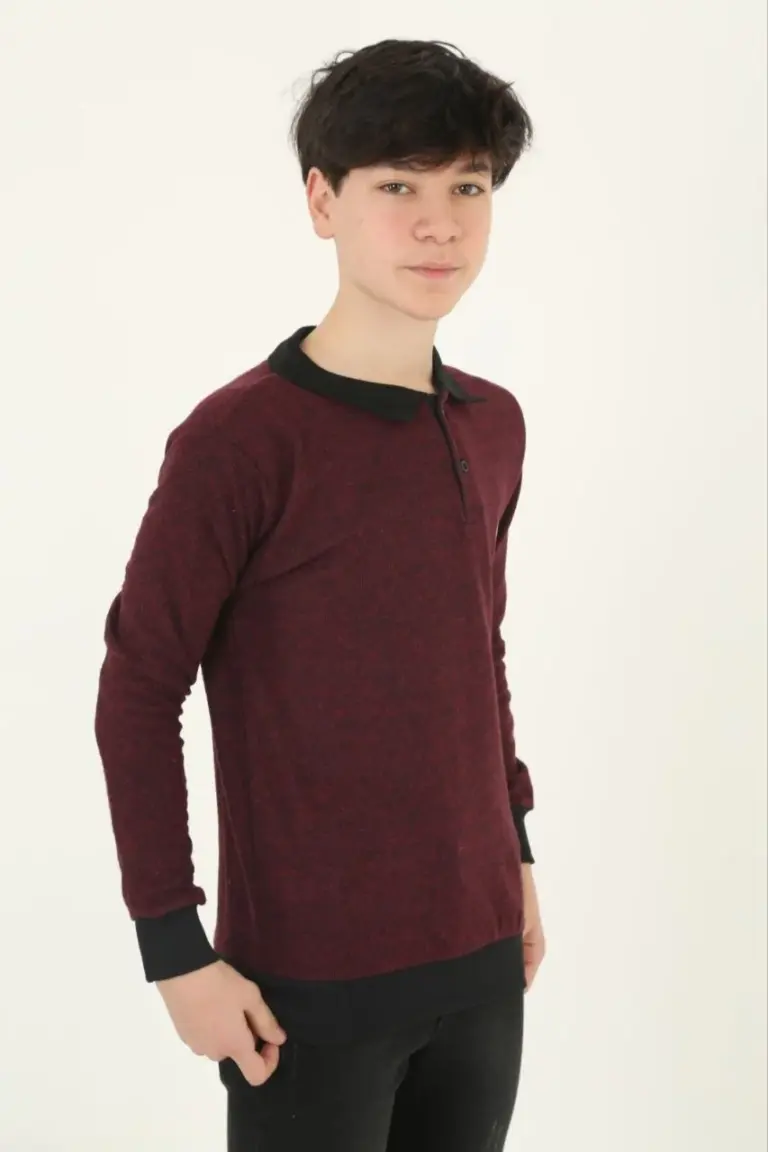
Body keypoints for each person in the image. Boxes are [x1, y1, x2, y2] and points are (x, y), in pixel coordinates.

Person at [94, 36, 546, 1151]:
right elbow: (139, 687)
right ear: (321, 201)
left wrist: (520, 854)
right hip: (307, 985)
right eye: (398, 187)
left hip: (483, 961)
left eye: (467, 189)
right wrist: (174, 949)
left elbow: (477, 651)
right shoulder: (241, 440)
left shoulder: (492, 423)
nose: (439, 224)